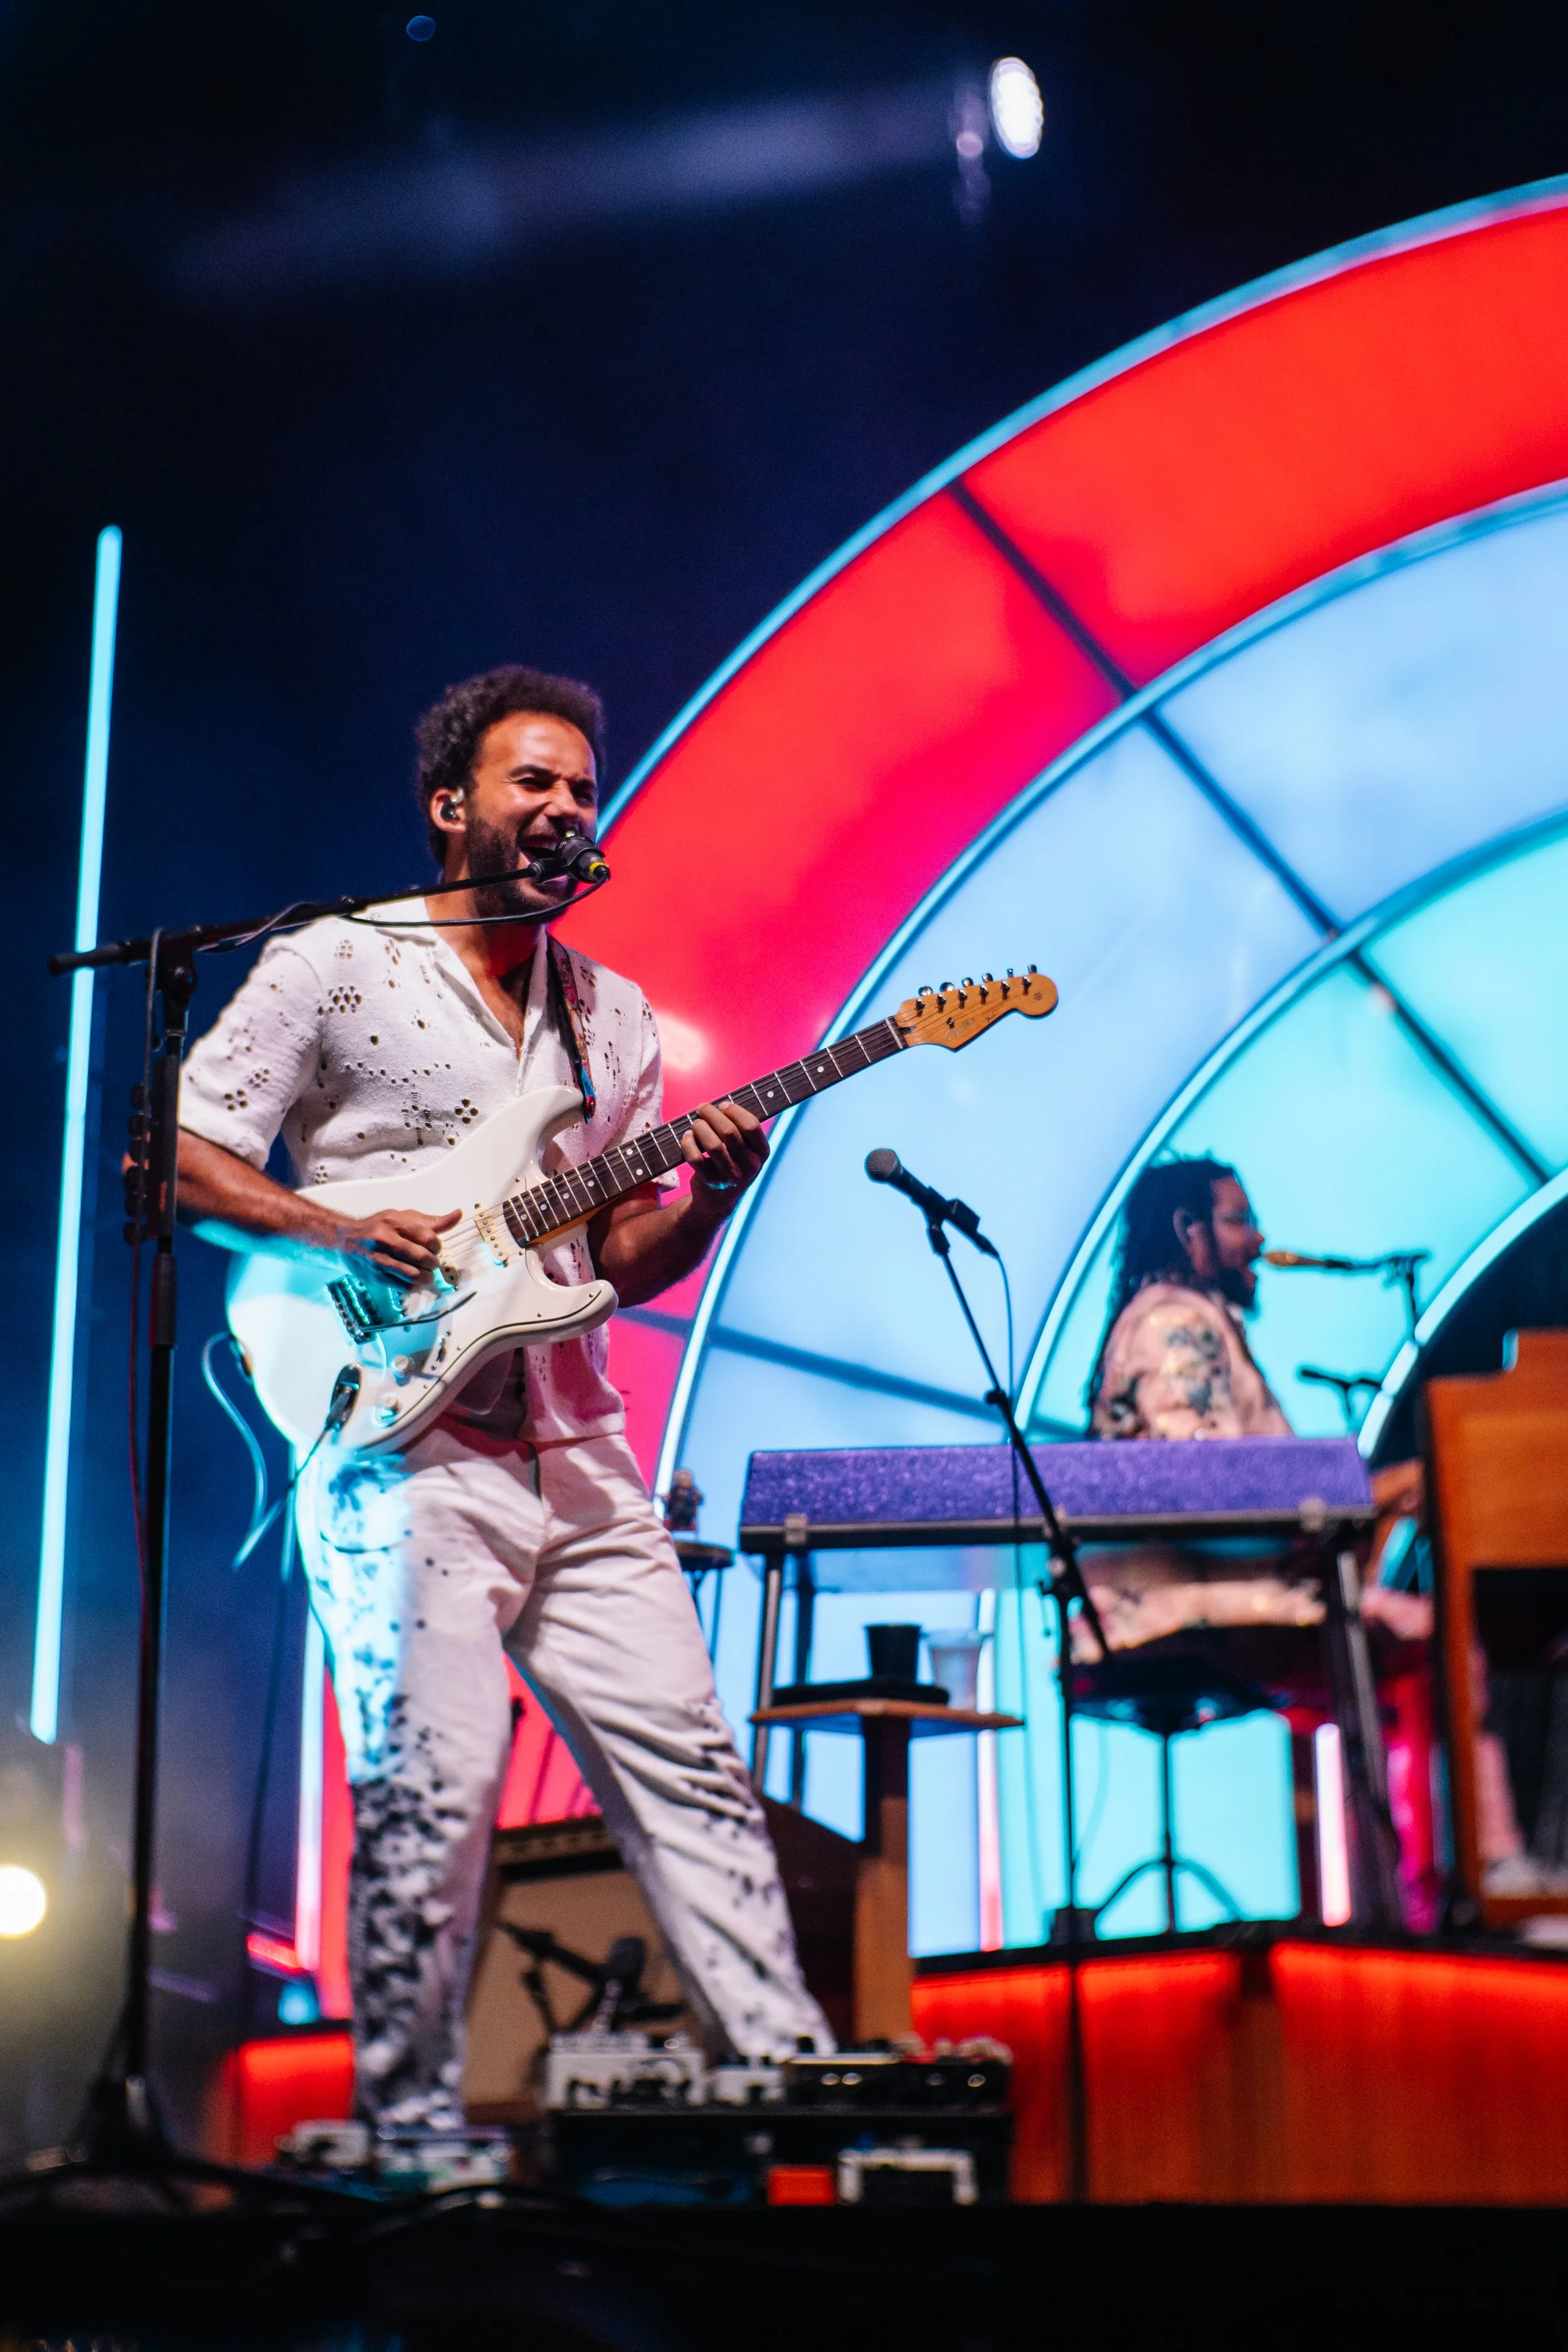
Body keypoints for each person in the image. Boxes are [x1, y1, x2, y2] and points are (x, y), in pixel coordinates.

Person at [177, 664, 830, 2129]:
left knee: (697, 1774)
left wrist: (709, 1196)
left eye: (583, 789)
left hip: (580, 1452)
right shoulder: (334, 960)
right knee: (431, 1797)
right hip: (403, 1447)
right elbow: (174, 1156)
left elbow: (610, 1254)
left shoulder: (614, 1016)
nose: (564, 806)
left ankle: (792, 2073)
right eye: (534, 780)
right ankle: (409, 2127)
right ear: (448, 806)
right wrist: (336, 1228)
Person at [1088, 1157, 1288, 1441]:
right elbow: (1200, 1464)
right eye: (1239, 1220)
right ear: (1188, 1228)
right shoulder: (1173, 1320)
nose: (1257, 1238)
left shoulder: (1195, 1314)